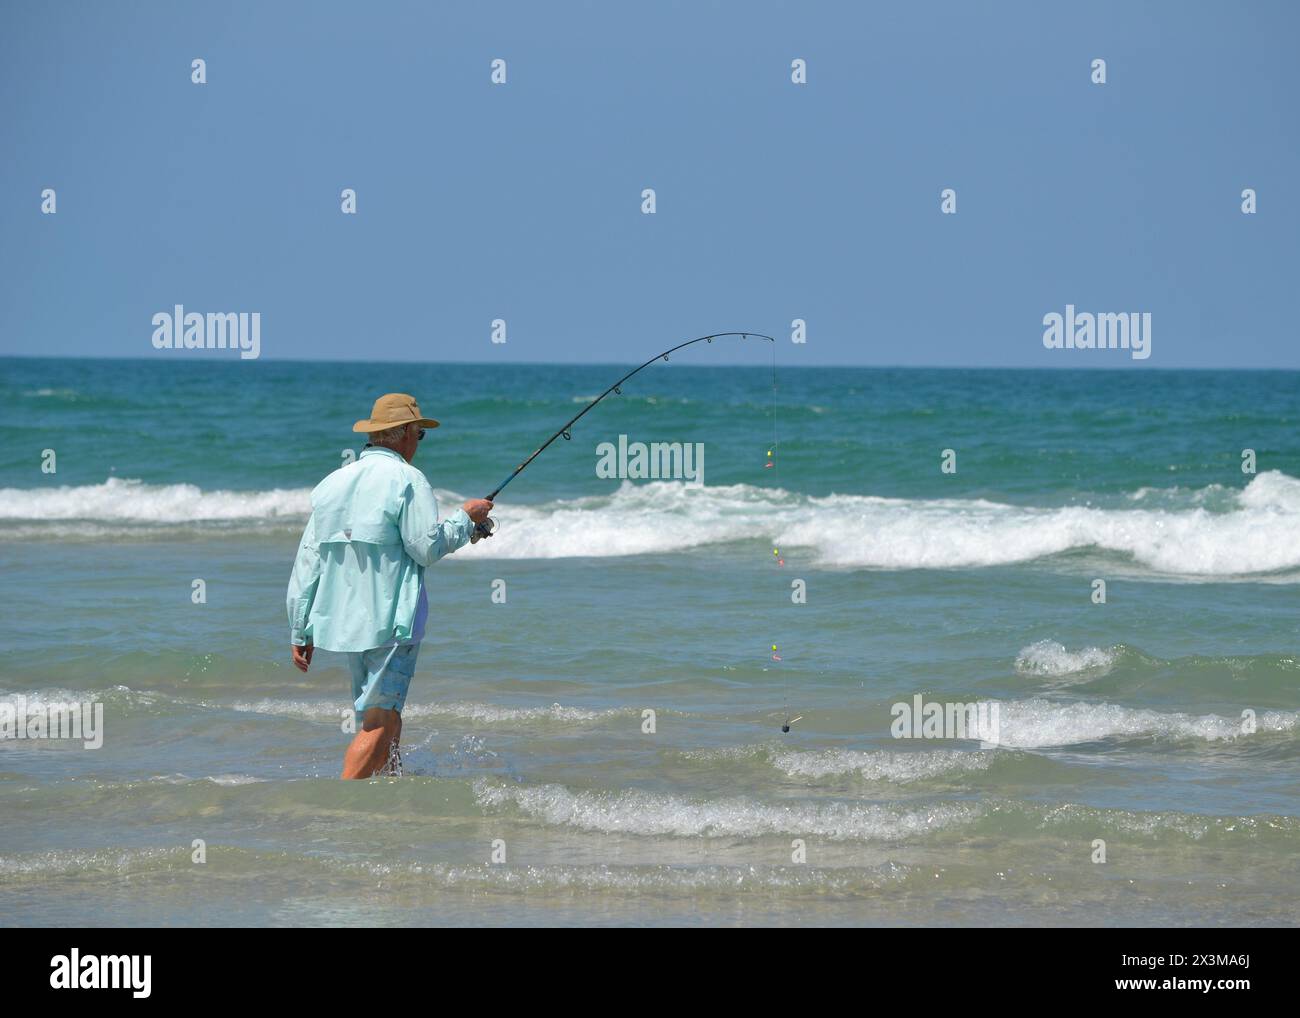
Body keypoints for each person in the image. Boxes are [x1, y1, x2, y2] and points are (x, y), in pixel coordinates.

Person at [285, 393, 493, 778]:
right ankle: (341, 809)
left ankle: (385, 800)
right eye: (418, 434)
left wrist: (300, 628)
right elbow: (425, 548)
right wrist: (466, 519)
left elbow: (308, 561)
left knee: (384, 713)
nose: (417, 443)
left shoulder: (332, 483)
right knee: (378, 720)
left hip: (346, 623)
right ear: (402, 434)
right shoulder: (408, 480)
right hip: (392, 622)